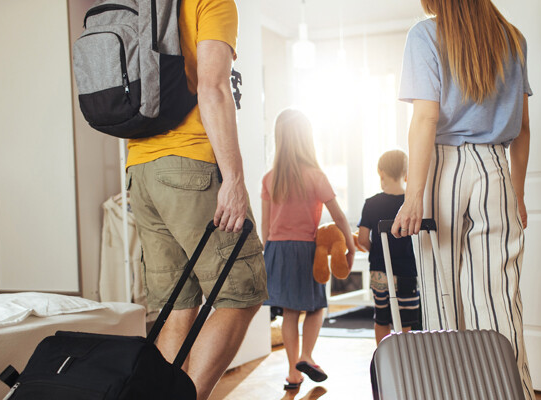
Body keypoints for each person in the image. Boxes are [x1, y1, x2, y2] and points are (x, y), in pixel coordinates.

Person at [391, 0, 535, 398]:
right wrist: (517, 193)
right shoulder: (514, 38)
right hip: (495, 168)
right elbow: (522, 127)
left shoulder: (425, 35)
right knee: (499, 301)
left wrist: (414, 196)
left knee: (443, 301)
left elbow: (425, 118)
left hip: (442, 169)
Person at [125, 1, 267, 399]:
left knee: (176, 305)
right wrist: (234, 178)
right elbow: (214, 87)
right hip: (191, 164)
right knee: (242, 291)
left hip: (141, 168)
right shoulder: (213, 2)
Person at [261, 109, 356, 391]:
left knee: (290, 312)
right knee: (317, 307)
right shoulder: (315, 176)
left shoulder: (269, 179)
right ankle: (307, 356)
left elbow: (265, 228)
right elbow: (338, 216)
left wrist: (267, 259)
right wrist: (350, 243)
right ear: (306, 139)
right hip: (306, 250)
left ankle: (293, 374)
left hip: (277, 251)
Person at [357, 150, 421, 344]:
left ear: (380, 172)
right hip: (406, 271)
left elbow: (361, 238)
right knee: (406, 321)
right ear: (407, 174)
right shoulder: (410, 205)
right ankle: (405, 357)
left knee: (381, 317)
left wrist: (375, 251)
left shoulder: (371, 204)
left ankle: (383, 357)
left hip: (380, 270)